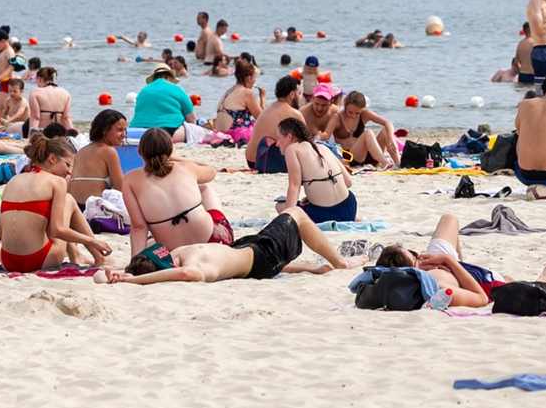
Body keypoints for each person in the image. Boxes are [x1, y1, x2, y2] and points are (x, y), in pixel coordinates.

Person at [101, 206, 351, 285]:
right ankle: (340, 262)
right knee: (295, 212)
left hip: (245, 250)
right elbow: (185, 274)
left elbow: (101, 275)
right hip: (263, 256)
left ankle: (313, 268)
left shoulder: (175, 256)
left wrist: (122, 274)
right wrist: (135, 281)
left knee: (243, 257)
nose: (168, 254)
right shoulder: (193, 267)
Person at [371, 214, 546, 308]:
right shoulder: (437, 285)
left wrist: (451, 260)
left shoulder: (429, 261)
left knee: (449, 220)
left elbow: (449, 218)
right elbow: (482, 299)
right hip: (486, 283)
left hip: (446, 263)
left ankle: (461, 264)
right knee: (513, 284)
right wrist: (449, 261)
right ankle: (543, 281)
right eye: (415, 255)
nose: (419, 254)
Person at [0, 133, 111, 273]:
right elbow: (57, 230)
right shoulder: (57, 182)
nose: (69, 172)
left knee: (49, 211)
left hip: (8, 261)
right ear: (52, 159)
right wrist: (92, 241)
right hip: (38, 259)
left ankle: (77, 255)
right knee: (69, 200)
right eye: (67, 165)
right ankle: (98, 257)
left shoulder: (13, 180)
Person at [121, 126, 230, 256]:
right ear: (170, 149)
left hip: (172, 253)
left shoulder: (130, 180)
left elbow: (139, 227)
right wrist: (176, 158)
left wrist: (135, 261)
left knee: (150, 243)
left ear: (140, 152)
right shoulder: (186, 168)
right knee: (204, 188)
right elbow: (211, 171)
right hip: (214, 241)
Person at [276, 117, 356, 223]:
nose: (277, 144)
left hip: (324, 214)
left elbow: (294, 186)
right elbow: (348, 182)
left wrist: (288, 217)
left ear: (289, 137)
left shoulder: (292, 149)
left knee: (280, 206)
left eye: (279, 138)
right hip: (349, 208)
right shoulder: (323, 147)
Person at [70, 109, 130, 208]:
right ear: (104, 130)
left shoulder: (81, 151)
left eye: (125, 130)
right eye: (120, 130)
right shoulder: (109, 151)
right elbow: (120, 187)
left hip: (75, 207)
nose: (124, 134)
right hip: (95, 210)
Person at [247, 75, 304, 173]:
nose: (299, 97)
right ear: (292, 94)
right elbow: (306, 140)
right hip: (267, 162)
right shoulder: (294, 113)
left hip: (251, 160)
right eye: (298, 93)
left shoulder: (266, 110)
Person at [333, 91, 400, 169]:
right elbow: (328, 137)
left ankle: (398, 163)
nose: (353, 115)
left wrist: (391, 139)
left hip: (371, 157)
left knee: (386, 131)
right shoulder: (338, 117)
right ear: (345, 106)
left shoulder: (364, 114)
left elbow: (387, 122)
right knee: (368, 133)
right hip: (352, 158)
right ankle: (385, 163)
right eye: (350, 112)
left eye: (357, 113)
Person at [131, 63, 198, 132]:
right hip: (170, 129)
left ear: (154, 79)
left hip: (140, 130)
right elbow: (191, 119)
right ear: (169, 77)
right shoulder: (177, 89)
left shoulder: (143, 91)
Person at [211, 58, 263, 137]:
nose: (255, 81)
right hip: (235, 136)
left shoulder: (228, 91)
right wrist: (262, 98)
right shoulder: (247, 93)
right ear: (249, 78)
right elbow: (261, 119)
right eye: (255, 78)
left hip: (219, 135)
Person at [27, 66, 73, 133]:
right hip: (60, 132)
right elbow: (66, 118)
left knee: (16, 127)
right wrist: (73, 134)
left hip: (43, 132)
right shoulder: (66, 93)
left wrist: (31, 135)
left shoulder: (35, 93)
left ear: (39, 79)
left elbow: (36, 117)